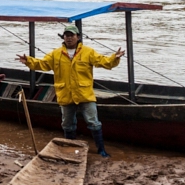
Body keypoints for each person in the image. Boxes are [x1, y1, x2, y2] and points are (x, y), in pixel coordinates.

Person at [16, 24, 124, 158]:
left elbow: (104, 62)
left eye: (72, 35)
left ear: (78, 37)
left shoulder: (88, 52)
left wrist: (115, 57)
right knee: (67, 124)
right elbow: (42, 64)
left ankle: (101, 150)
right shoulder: (56, 54)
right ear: (63, 37)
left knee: (93, 122)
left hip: (85, 94)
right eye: (66, 35)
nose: (69, 38)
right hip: (65, 94)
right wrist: (28, 61)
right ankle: (71, 150)